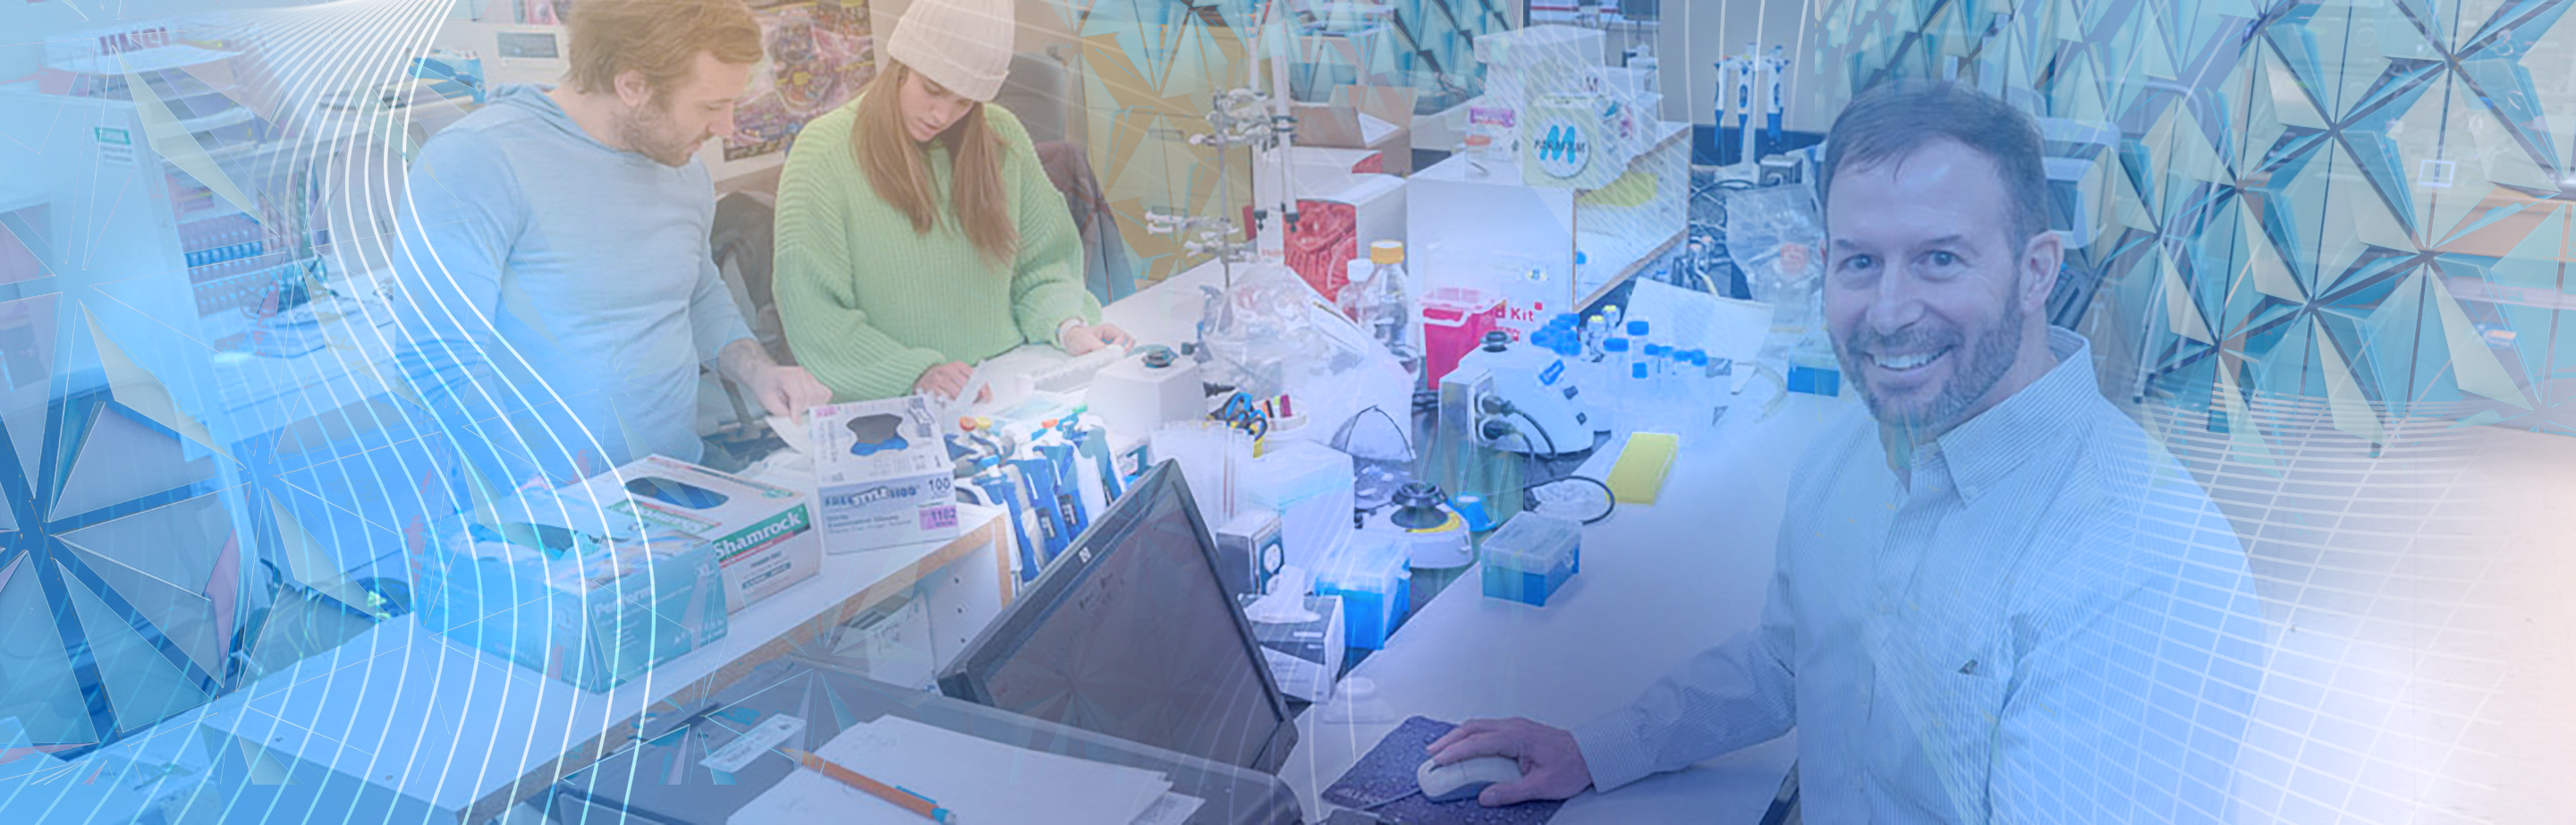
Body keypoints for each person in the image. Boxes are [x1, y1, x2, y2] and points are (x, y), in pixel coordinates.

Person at [1424, 81, 2268, 821]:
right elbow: (1791, 660)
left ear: (2037, 270)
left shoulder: (2149, 567)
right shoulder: (1845, 462)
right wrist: (1599, 748)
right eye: (1861, 262)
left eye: (1940, 259)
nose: (1891, 310)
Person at [394, 0, 830, 489]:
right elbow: (435, 361)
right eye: (710, 107)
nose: (726, 128)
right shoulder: (477, 160)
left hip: (682, 481)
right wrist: (538, 505)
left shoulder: (683, 168)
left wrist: (762, 373)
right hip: (554, 506)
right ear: (633, 86)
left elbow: (698, 293)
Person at [771, 0, 1130, 403]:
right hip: (893, 400)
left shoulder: (1000, 136)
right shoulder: (824, 152)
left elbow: (1043, 264)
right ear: (901, 65)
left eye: (964, 102)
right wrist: (916, 372)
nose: (941, 115)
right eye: (933, 90)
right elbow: (814, 313)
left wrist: (1067, 326)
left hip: (1006, 380)